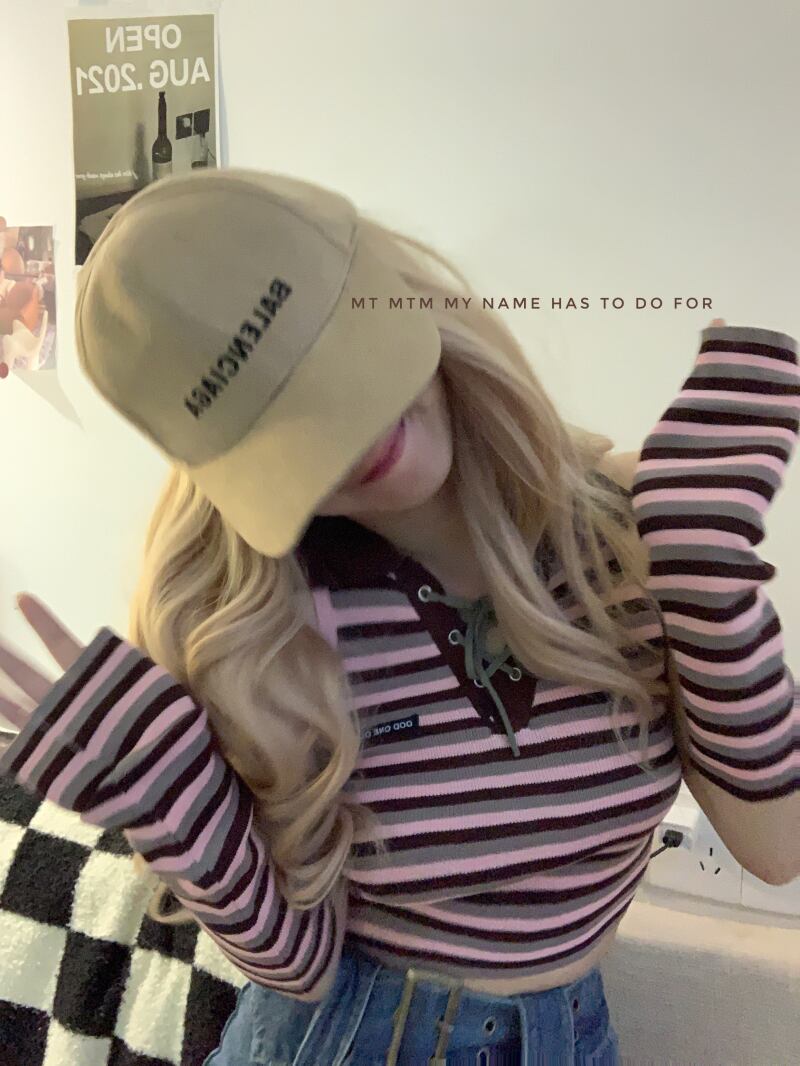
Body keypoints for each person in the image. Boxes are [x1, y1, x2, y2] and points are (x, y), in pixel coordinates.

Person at [0, 168, 796, 1066]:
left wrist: (709, 580)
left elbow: (777, 850)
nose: (346, 432)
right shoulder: (260, 627)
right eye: (275, 422)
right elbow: (299, 969)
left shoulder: (628, 532)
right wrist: (179, 813)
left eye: (329, 359)